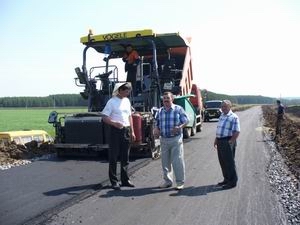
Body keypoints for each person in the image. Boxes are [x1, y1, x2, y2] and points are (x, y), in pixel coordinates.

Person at [102, 82, 136, 190]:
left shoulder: (126, 101)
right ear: (120, 90)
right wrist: (114, 123)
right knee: (113, 156)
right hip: (115, 131)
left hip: (126, 130)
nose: (128, 93)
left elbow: (130, 116)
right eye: (126, 91)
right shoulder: (111, 102)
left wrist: (132, 131)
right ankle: (114, 181)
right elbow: (104, 117)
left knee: (125, 156)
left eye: (129, 91)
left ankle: (125, 180)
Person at [154, 92, 189, 190]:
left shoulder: (178, 109)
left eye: (167, 98)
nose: (165, 100)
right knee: (165, 162)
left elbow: (186, 120)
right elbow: (156, 122)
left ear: (172, 99)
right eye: (164, 98)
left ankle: (180, 182)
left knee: (177, 161)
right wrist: (156, 129)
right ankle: (168, 181)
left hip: (175, 139)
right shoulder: (160, 111)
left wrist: (179, 127)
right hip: (164, 139)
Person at [213, 100, 240, 189]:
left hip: (227, 141)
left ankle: (232, 182)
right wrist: (216, 139)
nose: (223, 108)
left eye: (225, 106)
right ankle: (226, 179)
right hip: (220, 141)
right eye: (222, 106)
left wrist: (230, 142)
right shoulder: (222, 115)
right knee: (223, 162)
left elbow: (237, 131)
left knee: (229, 163)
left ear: (230, 107)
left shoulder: (233, 117)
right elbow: (219, 129)